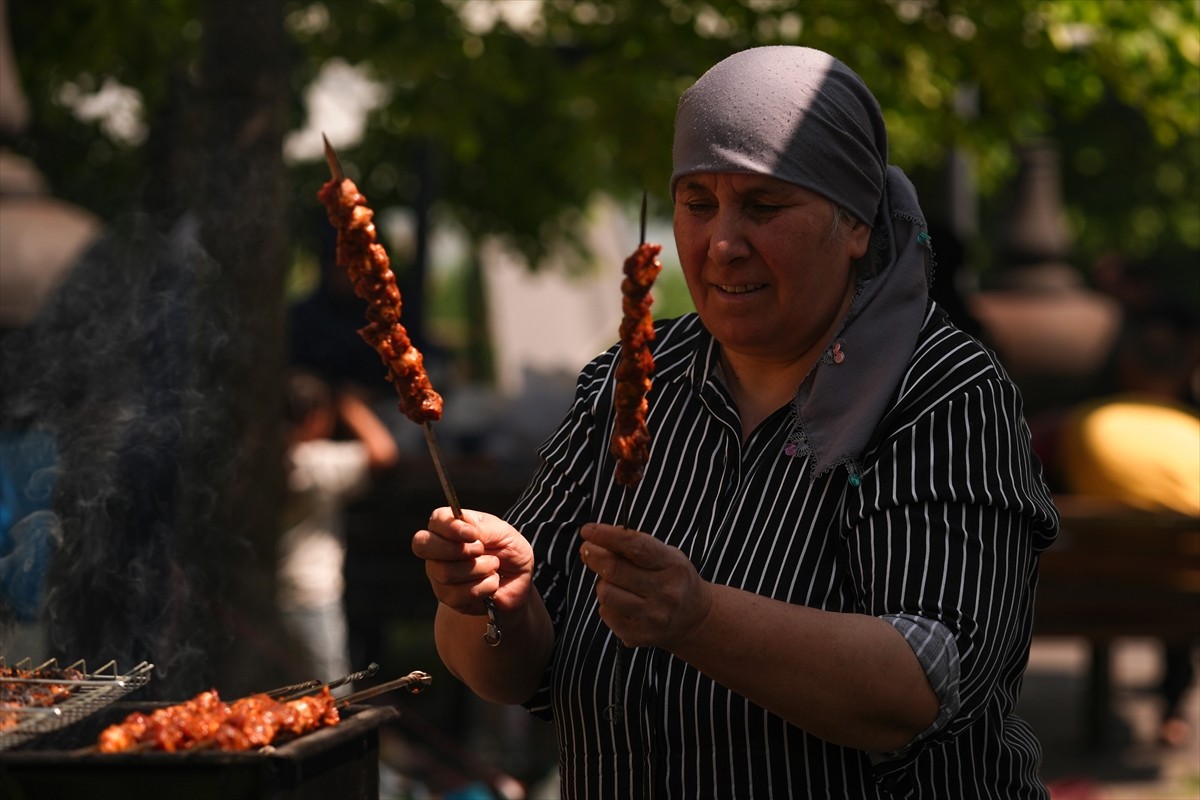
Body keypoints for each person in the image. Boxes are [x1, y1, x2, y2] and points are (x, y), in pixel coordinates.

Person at [412, 46, 1058, 798]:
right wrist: (492, 602)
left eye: (764, 206)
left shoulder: (944, 396)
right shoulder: (630, 382)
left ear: (854, 224)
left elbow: (921, 684)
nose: (722, 242)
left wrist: (699, 617)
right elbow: (510, 670)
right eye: (698, 202)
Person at [1056, 304, 1199, 746]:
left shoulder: (1085, 423)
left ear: (1126, 368)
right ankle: (1173, 713)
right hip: (1186, 598)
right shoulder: (1193, 433)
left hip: (1089, 595)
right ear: (1182, 374)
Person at [279, 369, 398, 688]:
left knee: (280, 689)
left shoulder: (269, 458)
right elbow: (384, 453)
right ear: (317, 417)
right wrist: (350, 404)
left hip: (269, 592)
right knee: (333, 689)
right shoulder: (314, 462)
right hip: (312, 593)